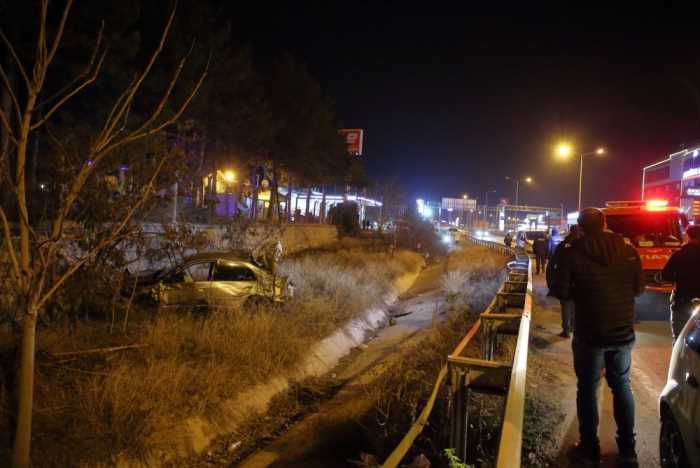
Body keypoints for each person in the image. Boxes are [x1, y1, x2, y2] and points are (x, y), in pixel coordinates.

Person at [553, 208, 644, 466]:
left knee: (587, 389)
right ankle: (628, 451)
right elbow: (639, 289)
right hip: (622, 332)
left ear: (580, 227)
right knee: (622, 386)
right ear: (604, 224)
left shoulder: (573, 253)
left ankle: (589, 448)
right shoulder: (628, 251)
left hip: (589, 333)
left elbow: (562, 292)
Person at [662, 224, 700, 344]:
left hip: (682, 301)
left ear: (688, 237)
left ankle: (680, 361)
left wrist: (678, 278)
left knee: (679, 338)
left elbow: (666, 275)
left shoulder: (679, 255)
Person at [547, 225, 580, 338]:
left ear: (570, 231)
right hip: (579, 282)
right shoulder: (584, 245)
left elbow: (553, 263)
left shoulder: (562, 245)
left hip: (564, 281)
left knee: (566, 305)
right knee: (576, 305)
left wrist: (551, 281)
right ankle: (572, 327)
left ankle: (566, 330)